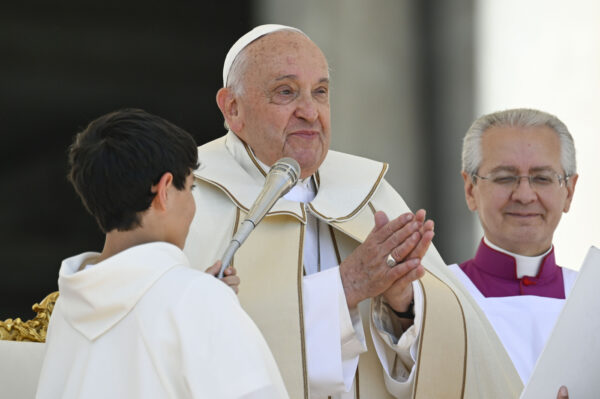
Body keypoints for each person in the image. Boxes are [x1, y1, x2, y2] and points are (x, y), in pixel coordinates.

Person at [184, 24, 524, 398]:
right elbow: (193, 342)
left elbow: (452, 347)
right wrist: (345, 287)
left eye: (321, 92)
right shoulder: (189, 198)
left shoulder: (368, 193)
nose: (310, 112)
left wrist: (402, 306)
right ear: (233, 108)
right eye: (286, 92)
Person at [35, 109, 288, 399]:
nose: (193, 204)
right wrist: (202, 298)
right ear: (165, 189)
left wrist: (195, 292)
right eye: (191, 188)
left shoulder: (67, 309)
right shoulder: (198, 301)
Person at [456, 108, 576, 396]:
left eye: (543, 178)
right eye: (504, 178)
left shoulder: (592, 295)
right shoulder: (434, 296)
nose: (524, 195)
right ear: (471, 190)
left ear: (569, 192)